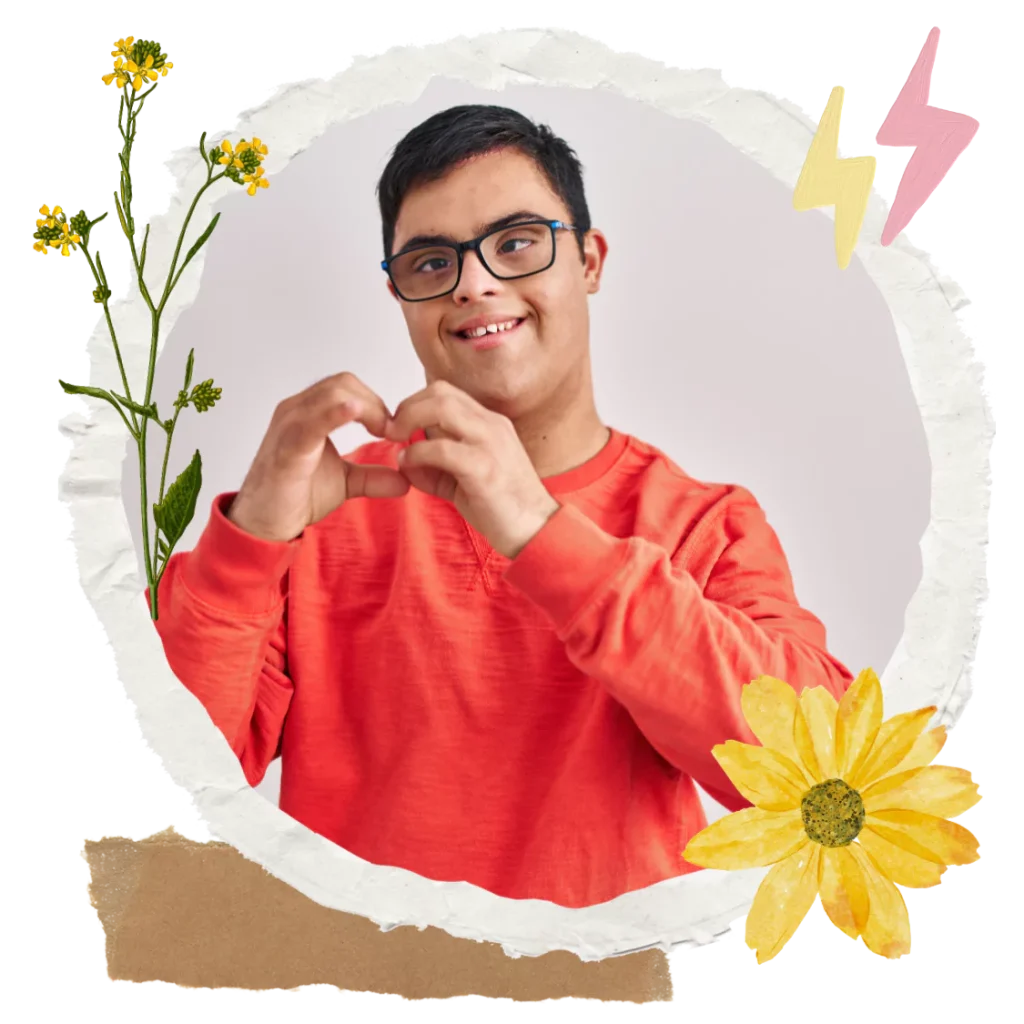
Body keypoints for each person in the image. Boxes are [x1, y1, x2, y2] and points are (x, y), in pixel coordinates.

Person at [151, 104, 854, 909]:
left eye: (516, 243)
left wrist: (542, 534)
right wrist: (248, 542)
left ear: (588, 260)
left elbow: (822, 777)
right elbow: (174, 774)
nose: (475, 283)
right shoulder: (319, 516)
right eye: (431, 262)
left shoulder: (705, 524)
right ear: (399, 295)